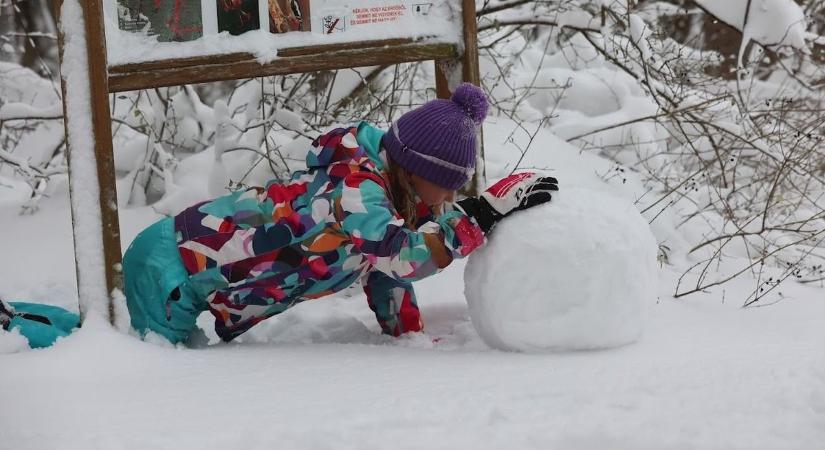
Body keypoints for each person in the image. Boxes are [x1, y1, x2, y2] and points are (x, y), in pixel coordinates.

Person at [2, 83, 558, 348]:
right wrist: (478, 216)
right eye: (449, 186)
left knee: (117, 344)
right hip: (173, 265)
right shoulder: (358, 190)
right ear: (416, 167)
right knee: (118, 355)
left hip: (191, 271)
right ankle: (14, 328)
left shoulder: (389, 200)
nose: (448, 197)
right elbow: (403, 258)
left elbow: (385, 272)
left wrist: (407, 335)